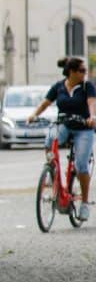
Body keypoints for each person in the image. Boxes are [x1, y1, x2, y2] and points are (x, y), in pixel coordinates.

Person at [26, 56, 96, 221]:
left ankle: (84, 203)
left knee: (81, 165)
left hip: (83, 128)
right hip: (64, 124)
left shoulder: (87, 87)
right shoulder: (58, 87)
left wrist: (92, 116)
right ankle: (52, 171)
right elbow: (45, 103)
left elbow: (92, 102)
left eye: (85, 71)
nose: (84, 74)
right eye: (81, 71)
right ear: (71, 72)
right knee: (50, 138)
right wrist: (33, 115)